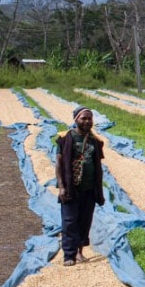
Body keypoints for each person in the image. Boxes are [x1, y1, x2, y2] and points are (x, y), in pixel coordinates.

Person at [54, 107, 107, 266]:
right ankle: (69, 255)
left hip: (89, 188)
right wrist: (62, 187)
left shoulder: (95, 141)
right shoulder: (65, 139)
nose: (86, 121)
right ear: (76, 119)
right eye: (83, 118)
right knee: (69, 222)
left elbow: (98, 165)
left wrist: (99, 189)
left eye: (89, 118)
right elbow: (58, 164)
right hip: (71, 188)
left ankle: (80, 252)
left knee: (85, 221)